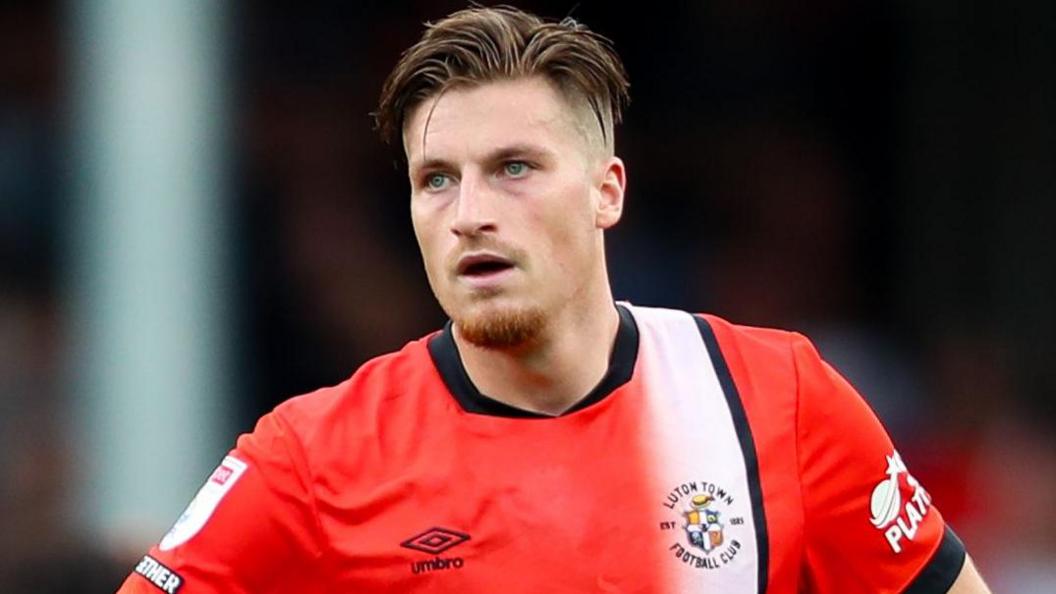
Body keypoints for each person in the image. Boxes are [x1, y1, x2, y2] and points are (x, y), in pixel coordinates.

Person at [115, 5, 991, 593]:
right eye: (436, 181)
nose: (470, 215)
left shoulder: (777, 399)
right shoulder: (312, 457)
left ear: (607, 191)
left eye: (515, 169)